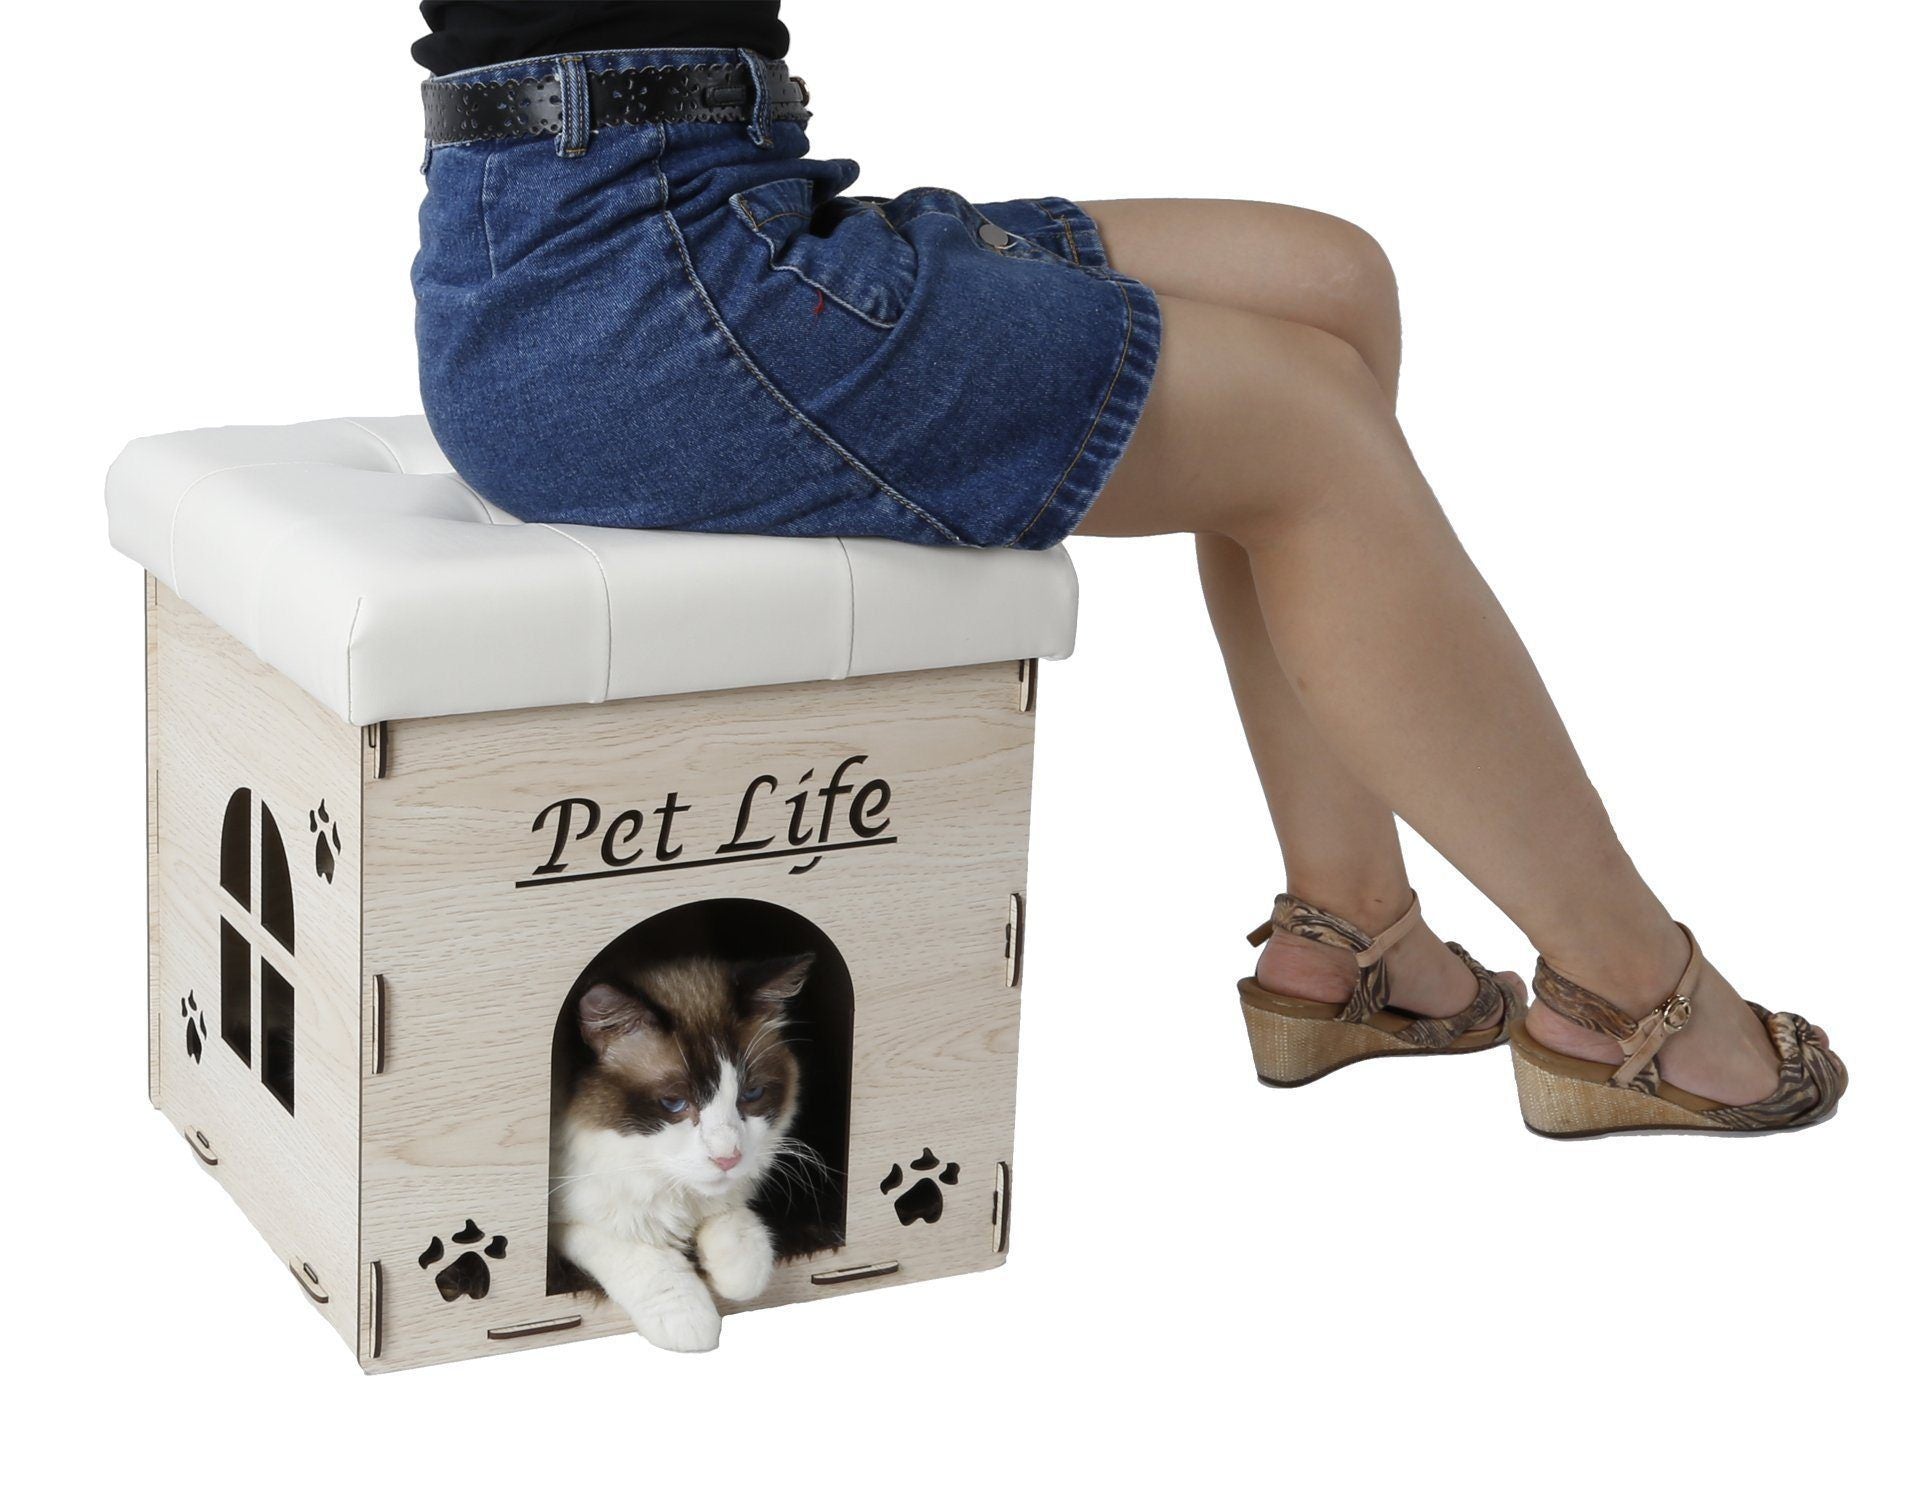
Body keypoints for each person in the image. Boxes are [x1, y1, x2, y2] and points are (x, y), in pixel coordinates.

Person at [411, 1, 1844, 1136]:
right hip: (634, 290)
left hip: (692, 213)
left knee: (1327, 285)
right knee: (1305, 436)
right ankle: (1632, 992)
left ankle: (1347, 932)